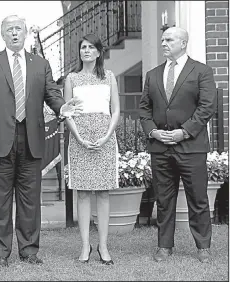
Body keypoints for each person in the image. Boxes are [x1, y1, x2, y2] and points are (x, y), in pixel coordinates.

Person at [0, 15, 82, 267]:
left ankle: (29, 250)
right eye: (9, 30)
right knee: (0, 200)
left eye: (18, 29)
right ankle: (2, 253)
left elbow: (51, 94)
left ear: (25, 33)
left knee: (29, 199)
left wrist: (62, 107)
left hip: (31, 138)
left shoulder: (40, 63)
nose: (14, 33)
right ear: (2, 34)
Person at [139, 27, 217, 263]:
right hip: (161, 147)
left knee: (198, 198)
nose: (163, 43)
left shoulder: (202, 71)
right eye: (162, 39)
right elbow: (144, 109)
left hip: (191, 146)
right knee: (163, 199)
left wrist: (184, 132)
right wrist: (153, 132)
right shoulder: (153, 74)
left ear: (183, 43)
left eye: (169, 39)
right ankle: (164, 246)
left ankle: (203, 247)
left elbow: (207, 107)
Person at [64, 33, 120, 264]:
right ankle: (86, 246)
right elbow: (67, 112)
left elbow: (116, 110)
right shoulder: (71, 78)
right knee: (84, 192)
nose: (85, 51)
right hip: (80, 140)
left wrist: (107, 136)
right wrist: (78, 137)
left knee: (103, 192)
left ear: (98, 52)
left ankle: (103, 247)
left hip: (105, 139)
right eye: (83, 47)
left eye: (90, 47)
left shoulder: (109, 76)